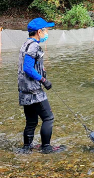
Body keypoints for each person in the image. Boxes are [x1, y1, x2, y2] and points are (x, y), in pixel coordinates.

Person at [18, 17, 62, 154]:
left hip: (24, 89)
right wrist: (43, 80)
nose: (47, 33)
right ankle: (46, 147)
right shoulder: (34, 46)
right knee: (48, 118)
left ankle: (26, 147)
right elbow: (28, 68)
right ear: (39, 31)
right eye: (46, 30)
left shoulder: (25, 44)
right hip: (33, 90)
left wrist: (42, 71)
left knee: (31, 121)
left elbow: (30, 66)